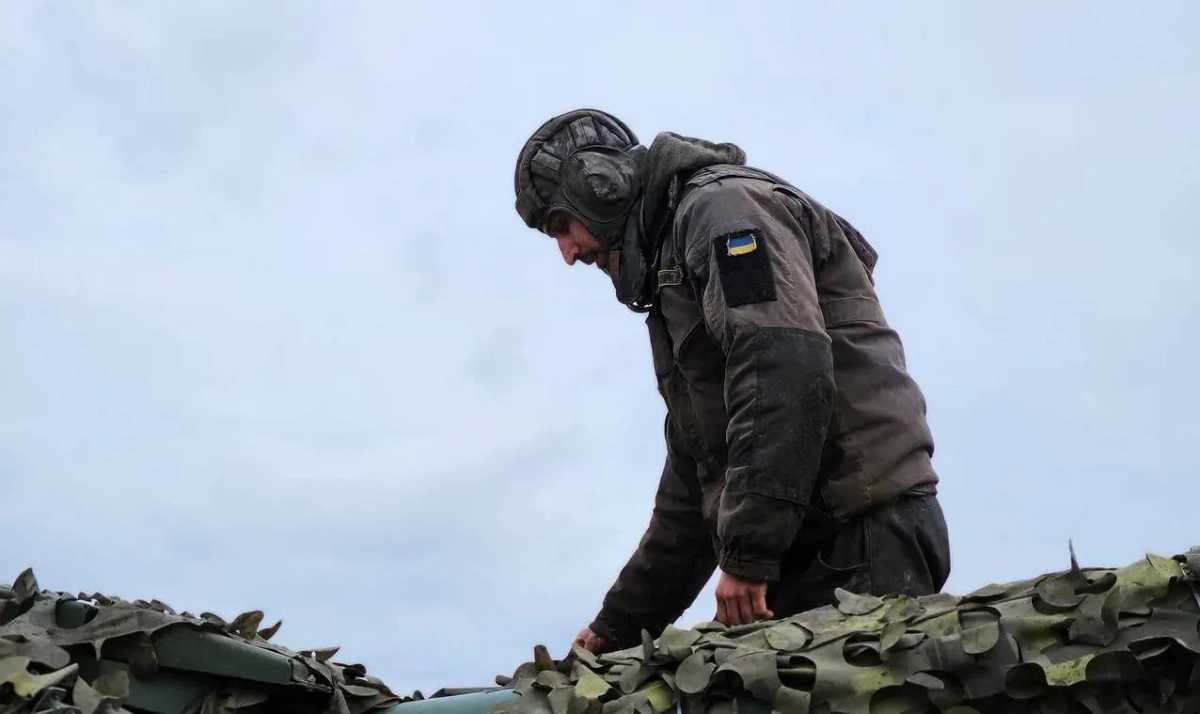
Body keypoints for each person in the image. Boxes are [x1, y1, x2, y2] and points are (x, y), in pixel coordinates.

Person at [512, 108, 952, 654]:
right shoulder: (673, 276)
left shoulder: (722, 211)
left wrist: (748, 554)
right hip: (803, 546)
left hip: (857, 537)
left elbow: (784, 370)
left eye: (561, 226)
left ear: (599, 186)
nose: (569, 254)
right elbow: (696, 485)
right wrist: (616, 628)